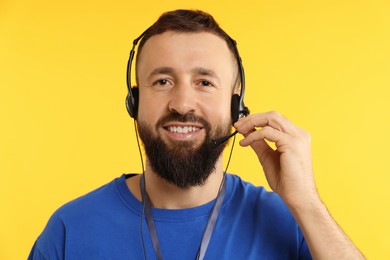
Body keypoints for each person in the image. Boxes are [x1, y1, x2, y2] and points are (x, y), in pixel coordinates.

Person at [29, 9, 364, 259]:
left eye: (204, 82)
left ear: (236, 105)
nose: (182, 103)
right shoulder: (69, 230)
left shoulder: (292, 222)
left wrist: (306, 202)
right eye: (162, 81)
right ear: (135, 101)